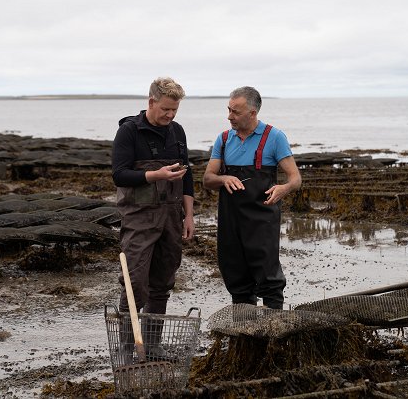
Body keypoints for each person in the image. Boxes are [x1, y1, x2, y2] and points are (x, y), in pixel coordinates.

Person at [111, 76, 194, 359]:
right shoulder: (129, 132)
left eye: (175, 110)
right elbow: (119, 174)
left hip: (172, 216)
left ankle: (154, 345)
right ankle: (125, 348)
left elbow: (188, 176)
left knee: (163, 280)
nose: (170, 115)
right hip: (138, 217)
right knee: (134, 281)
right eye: (166, 109)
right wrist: (154, 175)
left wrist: (189, 216)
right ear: (151, 102)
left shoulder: (178, 132)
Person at [203, 86, 301, 310]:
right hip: (230, 220)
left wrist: (284, 188)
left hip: (262, 220)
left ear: (253, 113)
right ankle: (243, 335)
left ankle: (272, 336)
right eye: (228, 110)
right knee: (236, 277)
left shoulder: (274, 137)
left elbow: (295, 179)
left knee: (269, 278)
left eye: (235, 112)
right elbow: (208, 179)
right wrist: (223, 179)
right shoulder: (224, 139)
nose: (229, 116)